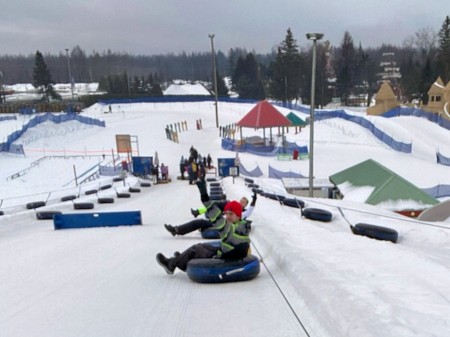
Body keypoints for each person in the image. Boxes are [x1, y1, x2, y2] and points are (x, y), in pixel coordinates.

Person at [156, 200, 250, 274]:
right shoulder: (239, 221)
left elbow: (224, 225)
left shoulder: (238, 222)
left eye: (244, 202)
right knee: (202, 241)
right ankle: (181, 257)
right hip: (226, 245)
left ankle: (172, 264)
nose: (242, 201)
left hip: (224, 255)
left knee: (196, 249)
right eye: (227, 213)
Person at [164, 179, 256, 236]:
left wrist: (253, 202)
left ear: (245, 205)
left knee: (199, 222)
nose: (242, 202)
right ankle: (177, 229)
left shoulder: (242, 213)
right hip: (218, 220)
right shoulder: (232, 205)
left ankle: (177, 230)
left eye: (244, 202)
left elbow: (249, 212)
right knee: (201, 219)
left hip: (222, 225)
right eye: (241, 200)